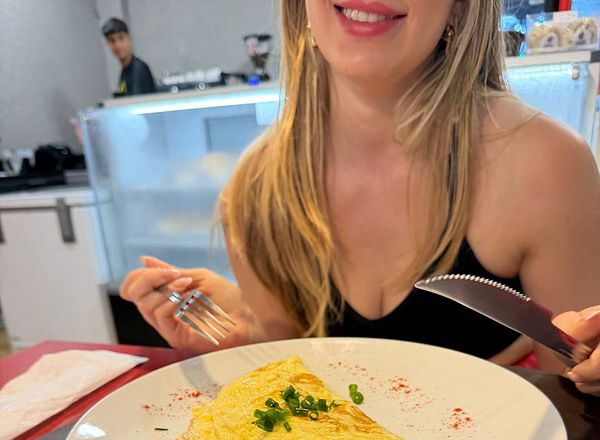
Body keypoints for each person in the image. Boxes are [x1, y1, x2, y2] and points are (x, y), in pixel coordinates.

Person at [121, 0, 600, 394]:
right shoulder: (255, 194)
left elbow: (577, 398)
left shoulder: (546, 165)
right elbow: (296, 378)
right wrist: (242, 334)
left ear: (459, 8)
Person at [102, 17, 156, 96]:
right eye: (112, 41)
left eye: (121, 38)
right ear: (108, 44)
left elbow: (135, 102)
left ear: (129, 39)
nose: (118, 45)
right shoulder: (124, 73)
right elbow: (121, 95)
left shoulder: (139, 68)